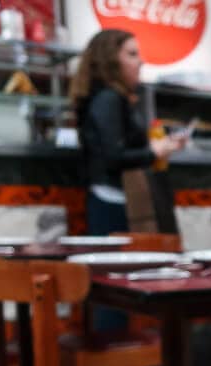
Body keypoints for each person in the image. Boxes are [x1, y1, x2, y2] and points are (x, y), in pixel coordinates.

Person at [70, 29, 185, 236]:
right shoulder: (108, 98)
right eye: (132, 54)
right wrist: (154, 151)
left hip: (117, 198)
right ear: (110, 60)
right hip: (114, 201)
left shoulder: (111, 97)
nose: (141, 62)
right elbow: (114, 156)